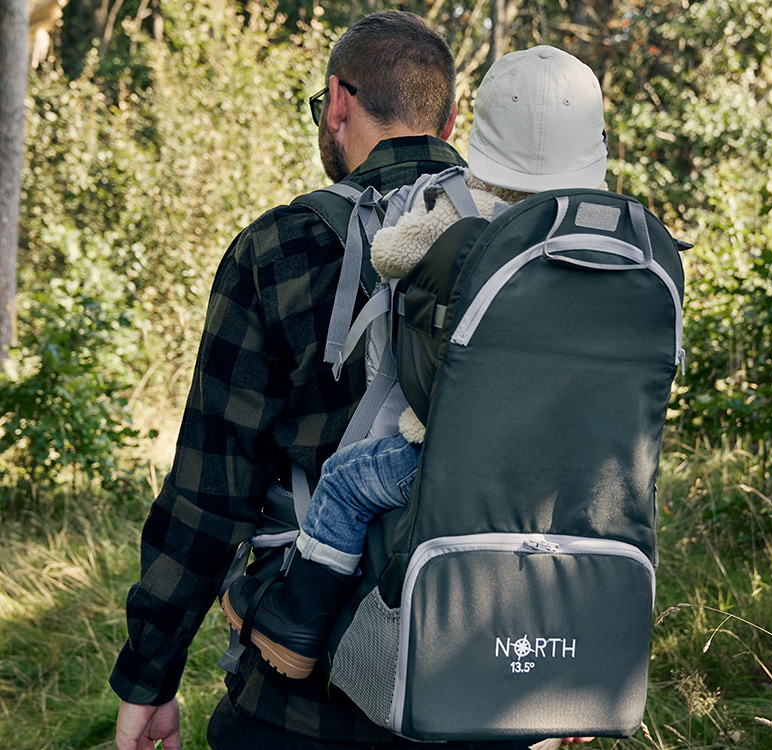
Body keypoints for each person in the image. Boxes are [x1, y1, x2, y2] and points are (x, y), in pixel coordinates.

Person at [108, 9, 586, 749]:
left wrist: (149, 677)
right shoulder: (532, 244)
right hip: (491, 687)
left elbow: (209, 495)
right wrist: (566, 677)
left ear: (337, 101)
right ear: (451, 116)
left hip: (301, 710)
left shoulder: (277, 249)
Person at [220, 42, 607, 743]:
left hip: (445, 455)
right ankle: (558, 669)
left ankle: (297, 624)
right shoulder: (601, 253)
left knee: (347, 484)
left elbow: (389, 256)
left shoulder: (460, 222)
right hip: (556, 472)